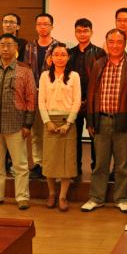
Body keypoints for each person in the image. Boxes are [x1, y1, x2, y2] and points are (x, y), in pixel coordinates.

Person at [82, 29, 127, 215]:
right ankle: (96, 198)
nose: (115, 45)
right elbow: (91, 94)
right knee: (100, 164)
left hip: (124, 121)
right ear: (106, 43)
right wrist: (90, 121)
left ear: (125, 44)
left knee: (122, 165)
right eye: (111, 41)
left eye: (119, 41)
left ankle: (121, 198)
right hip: (101, 120)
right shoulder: (98, 64)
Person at [0, 34, 37, 210]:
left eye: (9, 45)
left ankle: (22, 197)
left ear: (16, 48)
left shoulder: (25, 70)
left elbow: (31, 99)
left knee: (20, 165)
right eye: (2, 45)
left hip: (16, 126)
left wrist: (27, 124)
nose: (5, 48)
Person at [39, 43, 81, 212]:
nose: (60, 57)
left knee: (67, 162)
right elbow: (41, 100)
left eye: (63, 54)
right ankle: (51, 194)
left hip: (67, 123)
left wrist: (68, 123)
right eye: (56, 54)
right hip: (49, 121)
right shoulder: (44, 76)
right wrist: (47, 121)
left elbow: (77, 101)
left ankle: (63, 196)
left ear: (68, 57)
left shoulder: (74, 76)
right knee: (50, 161)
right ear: (51, 58)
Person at [0, 13, 28, 176]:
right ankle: (2, 165)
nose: (8, 24)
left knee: (15, 136)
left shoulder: (24, 44)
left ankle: (13, 164)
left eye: (11, 22)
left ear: (18, 26)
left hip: (17, 92)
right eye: (5, 22)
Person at [68, 18, 106, 178]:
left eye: (85, 31)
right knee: (74, 138)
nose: (82, 34)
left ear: (91, 32)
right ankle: (74, 168)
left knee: (95, 137)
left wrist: (91, 99)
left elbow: (102, 78)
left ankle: (96, 169)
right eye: (79, 31)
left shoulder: (99, 53)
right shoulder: (69, 53)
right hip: (73, 101)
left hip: (94, 102)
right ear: (75, 33)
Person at [106, 8, 127, 183]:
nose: (122, 23)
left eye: (126, 20)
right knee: (113, 138)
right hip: (111, 95)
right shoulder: (109, 41)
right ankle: (115, 168)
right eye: (119, 20)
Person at [23, 13, 59, 179]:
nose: (42, 27)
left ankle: (51, 163)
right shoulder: (29, 47)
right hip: (34, 96)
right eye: (39, 24)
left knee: (52, 132)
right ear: (36, 27)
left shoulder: (59, 47)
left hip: (53, 96)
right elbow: (25, 71)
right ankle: (39, 163)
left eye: (46, 24)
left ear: (52, 26)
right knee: (37, 133)